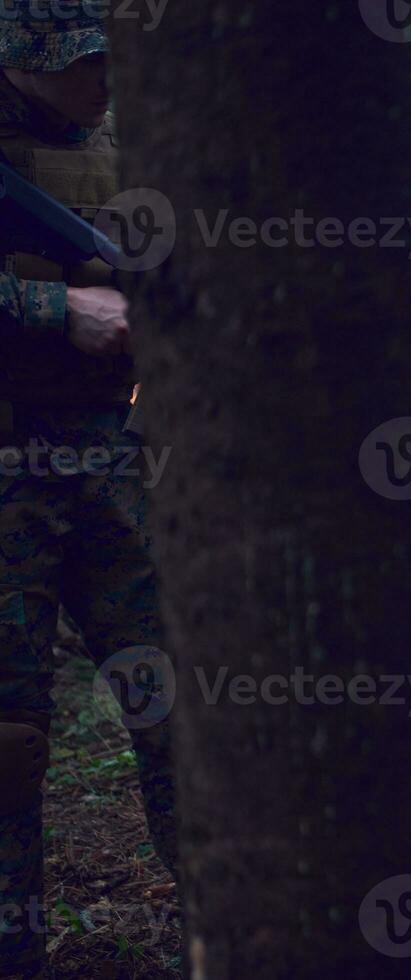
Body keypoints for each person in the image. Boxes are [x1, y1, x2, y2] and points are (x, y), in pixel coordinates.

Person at [0, 4, 176, 972]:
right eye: (82, 64)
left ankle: (227, 932)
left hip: (116, 457)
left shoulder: (131, 132)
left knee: (180, 704)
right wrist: (48, 307)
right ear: (21, 60)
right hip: (6, 469)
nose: (102, 78)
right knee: (10, 738)